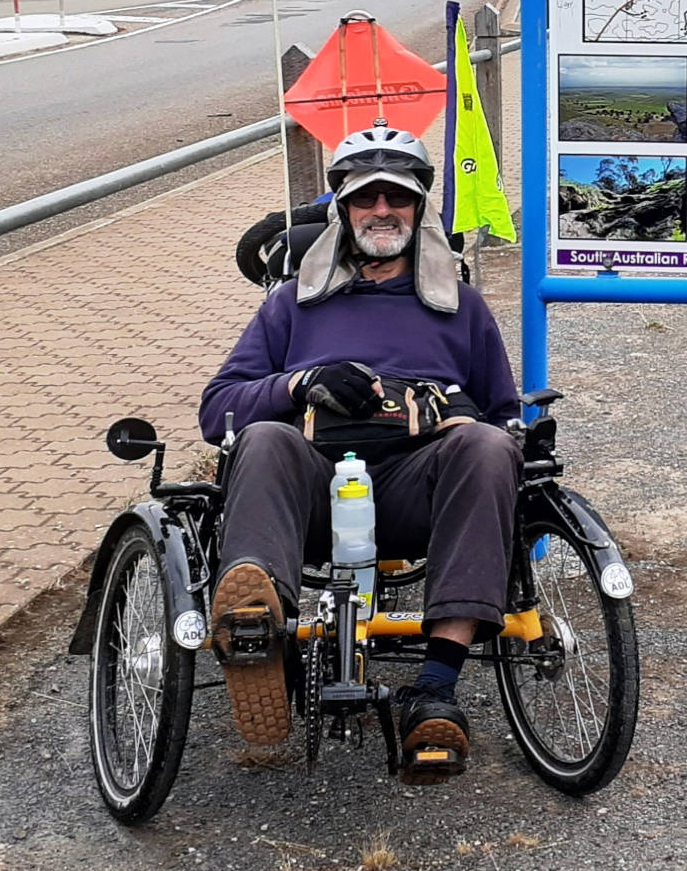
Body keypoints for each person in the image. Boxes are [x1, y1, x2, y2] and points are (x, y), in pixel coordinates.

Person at [200, 122, 521, 783]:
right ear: (341, 210)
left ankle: (434, 688)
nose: (382, 210)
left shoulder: (462, 307)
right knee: (262, 436)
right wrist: (297, 383)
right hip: (314, 484)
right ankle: (258, 625)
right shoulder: (292, 304)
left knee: (488, 444)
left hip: (416, 488)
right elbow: (217, 408)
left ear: (418, 207)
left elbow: (504, 412)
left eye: (396, 198)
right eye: (365, 198)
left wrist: (469, 426)